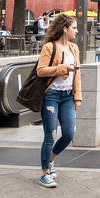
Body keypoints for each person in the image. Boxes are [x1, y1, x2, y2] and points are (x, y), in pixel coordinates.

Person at [36, 14, 82, 188]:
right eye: (74, 28)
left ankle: (51, 159)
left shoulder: (74, 48)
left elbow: (78, 74)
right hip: (51, 95)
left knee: (69, 133)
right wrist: (63, 68)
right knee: (51, 135)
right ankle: (45, 173)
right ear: (65, 28)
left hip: (68, 96)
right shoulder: (49, 47)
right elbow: (41, 71)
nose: (76, 31)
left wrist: (77, 96)